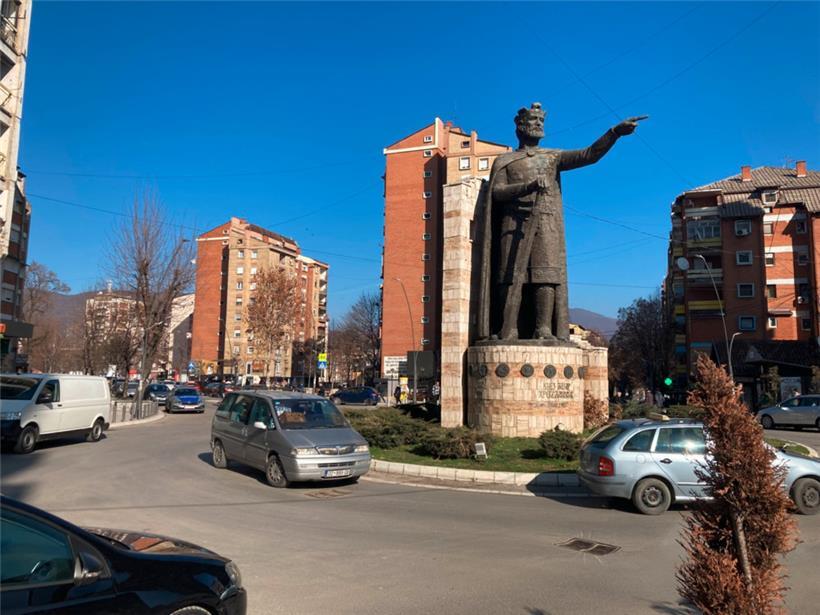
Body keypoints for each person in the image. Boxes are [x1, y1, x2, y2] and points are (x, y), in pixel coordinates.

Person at [476, 103, 643, 341]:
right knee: (510, 276)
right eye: (533, 121)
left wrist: (613, 133)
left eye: (541, 122)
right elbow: (497, 193)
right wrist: (528, 186)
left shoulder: (552, 157)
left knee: (546, 275)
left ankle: (543, 328)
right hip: (512, 224)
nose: (538, 125)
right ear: (520, 127)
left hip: (545, 223)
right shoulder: (505, 160)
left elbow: (589, 154)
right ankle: (508, 327)